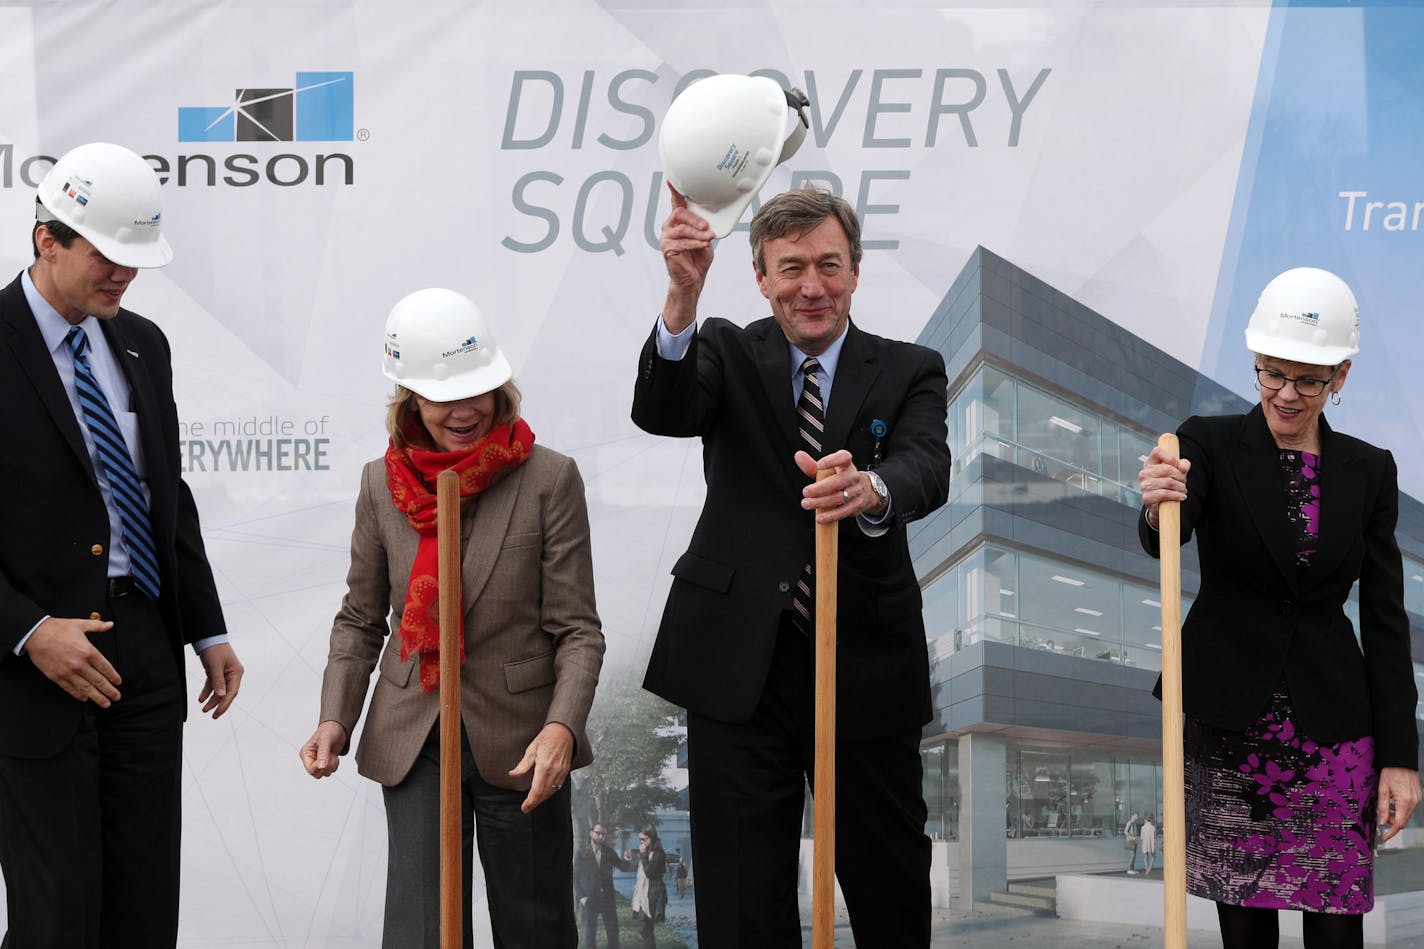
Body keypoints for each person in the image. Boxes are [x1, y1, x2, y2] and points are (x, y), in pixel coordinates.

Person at [632, 184, 951, 947]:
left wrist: (871, 487)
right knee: (742, 899)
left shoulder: (910, 368)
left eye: (830, 265)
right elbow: (662, 409)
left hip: (866, 662)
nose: (813, 285)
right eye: (793, 267)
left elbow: (926, 466)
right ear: (761, 275)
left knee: (891, 891)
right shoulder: (724, 347)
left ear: (856, 269)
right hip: (737, 665)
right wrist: (681, 297)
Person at [300, 288, 604, 948]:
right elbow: (360, 616)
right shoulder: (380, 484)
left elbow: (577, 628)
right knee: (421, 933)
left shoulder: (550, 479)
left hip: (523, 743)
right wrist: (334, 717)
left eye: (479, 391)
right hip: (415, 738)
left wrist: (560, 728)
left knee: (537, 928)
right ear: (410, 399)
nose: (464, 412)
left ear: (502, 388)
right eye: (443, 397)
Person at [0, 141, 243, 949]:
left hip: (143, 652)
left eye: (137, 259)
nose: (125, 275)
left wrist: (205, 628)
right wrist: (30, 632)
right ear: (48, 239)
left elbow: (164, 497)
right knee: (58, 917)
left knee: (144, 908)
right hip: (35, 668)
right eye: (109, 255)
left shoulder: (142, 342)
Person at [1139, 266, 1421, 949]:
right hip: (1230, 724)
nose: (1285, 395)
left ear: (1340, 377)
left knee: (1334, 929)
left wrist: (1402, 757)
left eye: (1308, 380)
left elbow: (1385, 620)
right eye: (1271, 374)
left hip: (1333, 730)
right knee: (1245, 930)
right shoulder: (1204, 441)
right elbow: (1169, 531)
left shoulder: (1369, 469)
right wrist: (1155, 503)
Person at [574, 822, 633, 949]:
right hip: (590, 899)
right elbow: (575, 879)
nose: (600, 837)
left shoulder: (608, 851)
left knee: (613, 932)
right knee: (590, 933)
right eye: (598, 833)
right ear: (591, 833)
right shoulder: (582, 853)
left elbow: (622, 867)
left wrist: (627, 859)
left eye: (603, 834)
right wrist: (582, 898)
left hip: (608, 898)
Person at [627, 826, 668, 948]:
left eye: (644, 839)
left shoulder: (659, 854)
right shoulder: (648, 852)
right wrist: (630, 858)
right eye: (640, 839)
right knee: (646, 930)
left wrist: (643, 854)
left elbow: (649, 872)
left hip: (653, 895)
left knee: (646, 929)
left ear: (652, 838)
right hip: (643, 894)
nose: (641, 842)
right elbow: (640, 869)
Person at [1123, 810, 1141, 874]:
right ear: (1132, 816)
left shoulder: (1134, 823)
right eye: (1136, 816)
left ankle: (1132, 869)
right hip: (1130, 841)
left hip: (1134, 841)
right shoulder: (1129, 823)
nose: (1137, 818)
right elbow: (1125, 832)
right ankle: (1129, 869)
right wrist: (1132, 837)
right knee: (1132, 855)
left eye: (1137, 816)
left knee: (1134, 855)